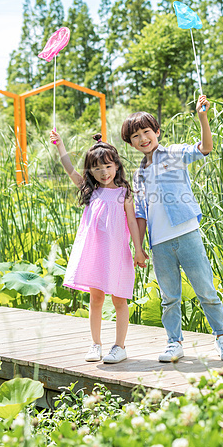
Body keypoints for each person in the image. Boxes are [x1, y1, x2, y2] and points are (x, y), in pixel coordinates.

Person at [121, 95, 223, 363]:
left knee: (205, 290)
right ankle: (174, 342)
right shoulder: (138, 175)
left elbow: (205, 148)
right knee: (169, 297)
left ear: (157, 132)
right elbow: (139, 214)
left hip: (186, 234)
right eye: (135, 136)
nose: (142, 139)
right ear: (130, 142)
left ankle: (222, 337)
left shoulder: (173, 153)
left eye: (147, 132)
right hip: (159, 243)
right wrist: (138, 248)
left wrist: (203, 118)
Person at [50, 130, 148, 364]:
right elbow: (69, 169)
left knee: (119, 299)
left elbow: (133, 223)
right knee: (96, 299)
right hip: (95, 254)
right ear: (90, 171)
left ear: (116, 166)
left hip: (118, 254)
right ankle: (96, 344)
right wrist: (60, 145)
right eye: (96, 168)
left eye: (108, 166)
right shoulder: (90, 189)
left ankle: (120, 346)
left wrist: (139, 249)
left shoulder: (124, 193)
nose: (103, 173)